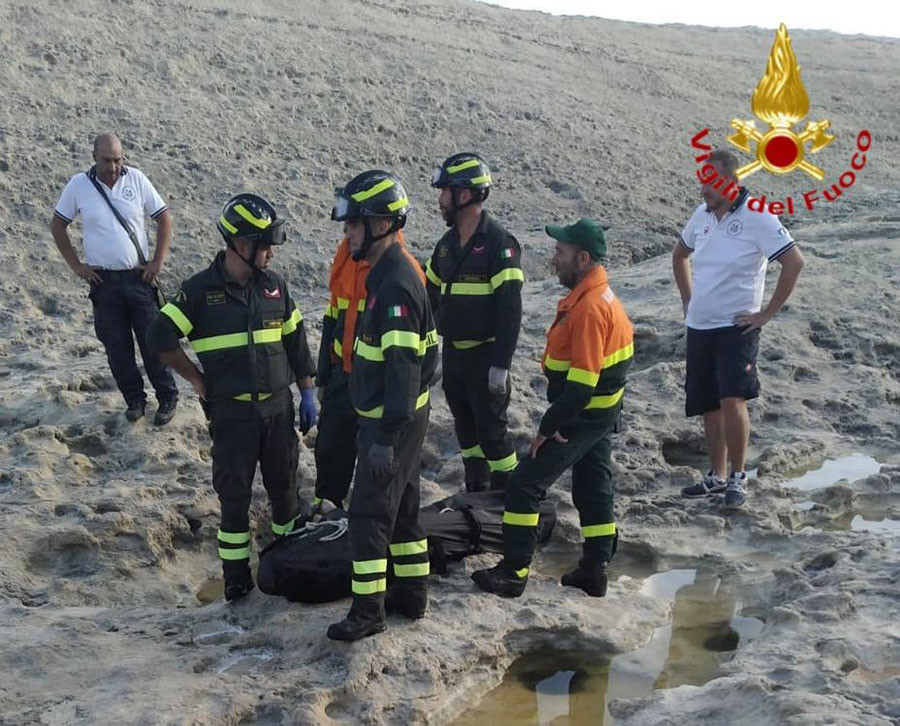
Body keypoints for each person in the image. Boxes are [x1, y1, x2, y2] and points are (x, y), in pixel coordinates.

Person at [146, 193, 317, 601]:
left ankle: (287, 566)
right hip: (232, 417)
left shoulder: (275, 288)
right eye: (266, 244)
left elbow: (296, 343)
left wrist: (307, 392)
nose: (272, 253)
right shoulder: (200, 291)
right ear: (240, 244)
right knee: (235, 500)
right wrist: (197, 381)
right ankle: (237, 582)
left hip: (278, 410)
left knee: (284, 493)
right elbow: (159, 337)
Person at [472, 218, 633, 599]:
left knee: (525, 483)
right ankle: (595, 570)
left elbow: (580, 385)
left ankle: (513, 572)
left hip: (583, 412)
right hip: (601, 410)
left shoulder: (591, 308)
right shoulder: (598, 296)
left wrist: (549, 427)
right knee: (594, 487)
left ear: (583, 257)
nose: (553, 259)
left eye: (560, 253)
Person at [326, 170, 438, 641]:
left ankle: (368, 612)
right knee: (405, 506)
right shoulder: (392, 272)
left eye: (354, 224)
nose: (347, 232)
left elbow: (402, 368)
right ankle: (411, 595)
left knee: (369, 514)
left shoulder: (393, 285)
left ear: (381, 224)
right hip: (404, 416)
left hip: (390, 421)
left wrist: (385, 439)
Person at [673, 150, 804, 508]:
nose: (705, 188)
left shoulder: (758, 215)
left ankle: (738, 476)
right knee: (708, 406)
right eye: (702, 179)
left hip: (736, 326)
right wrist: (688, 300)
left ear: (734, 181)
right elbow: (679, 255)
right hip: (700, 324)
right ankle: (715, 476)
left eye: (712, 180)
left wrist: (766, 313)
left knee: (733, 399)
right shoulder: (700, 215)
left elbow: (793, 262)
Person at [51, 132, 179, 425]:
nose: (113, 166)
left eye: (118, 159)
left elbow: (164, 218)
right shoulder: (79, 185)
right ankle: (135, 400)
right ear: (94, 157)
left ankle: (168, 397)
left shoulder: (136, 179)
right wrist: (77, 266)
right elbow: (58, 225)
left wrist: (157, 261)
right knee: (117, 347)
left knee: (153, 342)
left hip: (138, 277)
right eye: (107, 160)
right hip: (103, 282)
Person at [425, 153, 524, 492]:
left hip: (486, 358)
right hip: (455, 357)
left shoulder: (499, 243)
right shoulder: (445, 246)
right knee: (466, 434)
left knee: (492, 435)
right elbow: (427, 297)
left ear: (464, 195)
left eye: (444, 192)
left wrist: (501, 367)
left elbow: (510, 309)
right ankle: (476, 495)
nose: (439, 200)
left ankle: (507, 501)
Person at [314, 231, 425, 509]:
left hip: (377, 382)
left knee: (379, 478)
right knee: (330, 450)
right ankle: (325, 514)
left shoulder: (399, 272)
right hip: (343, 374)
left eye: (354, 224)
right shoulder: (345, 260)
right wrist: (324, 374)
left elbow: (407, 350)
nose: (348, 233)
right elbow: (332, 318)